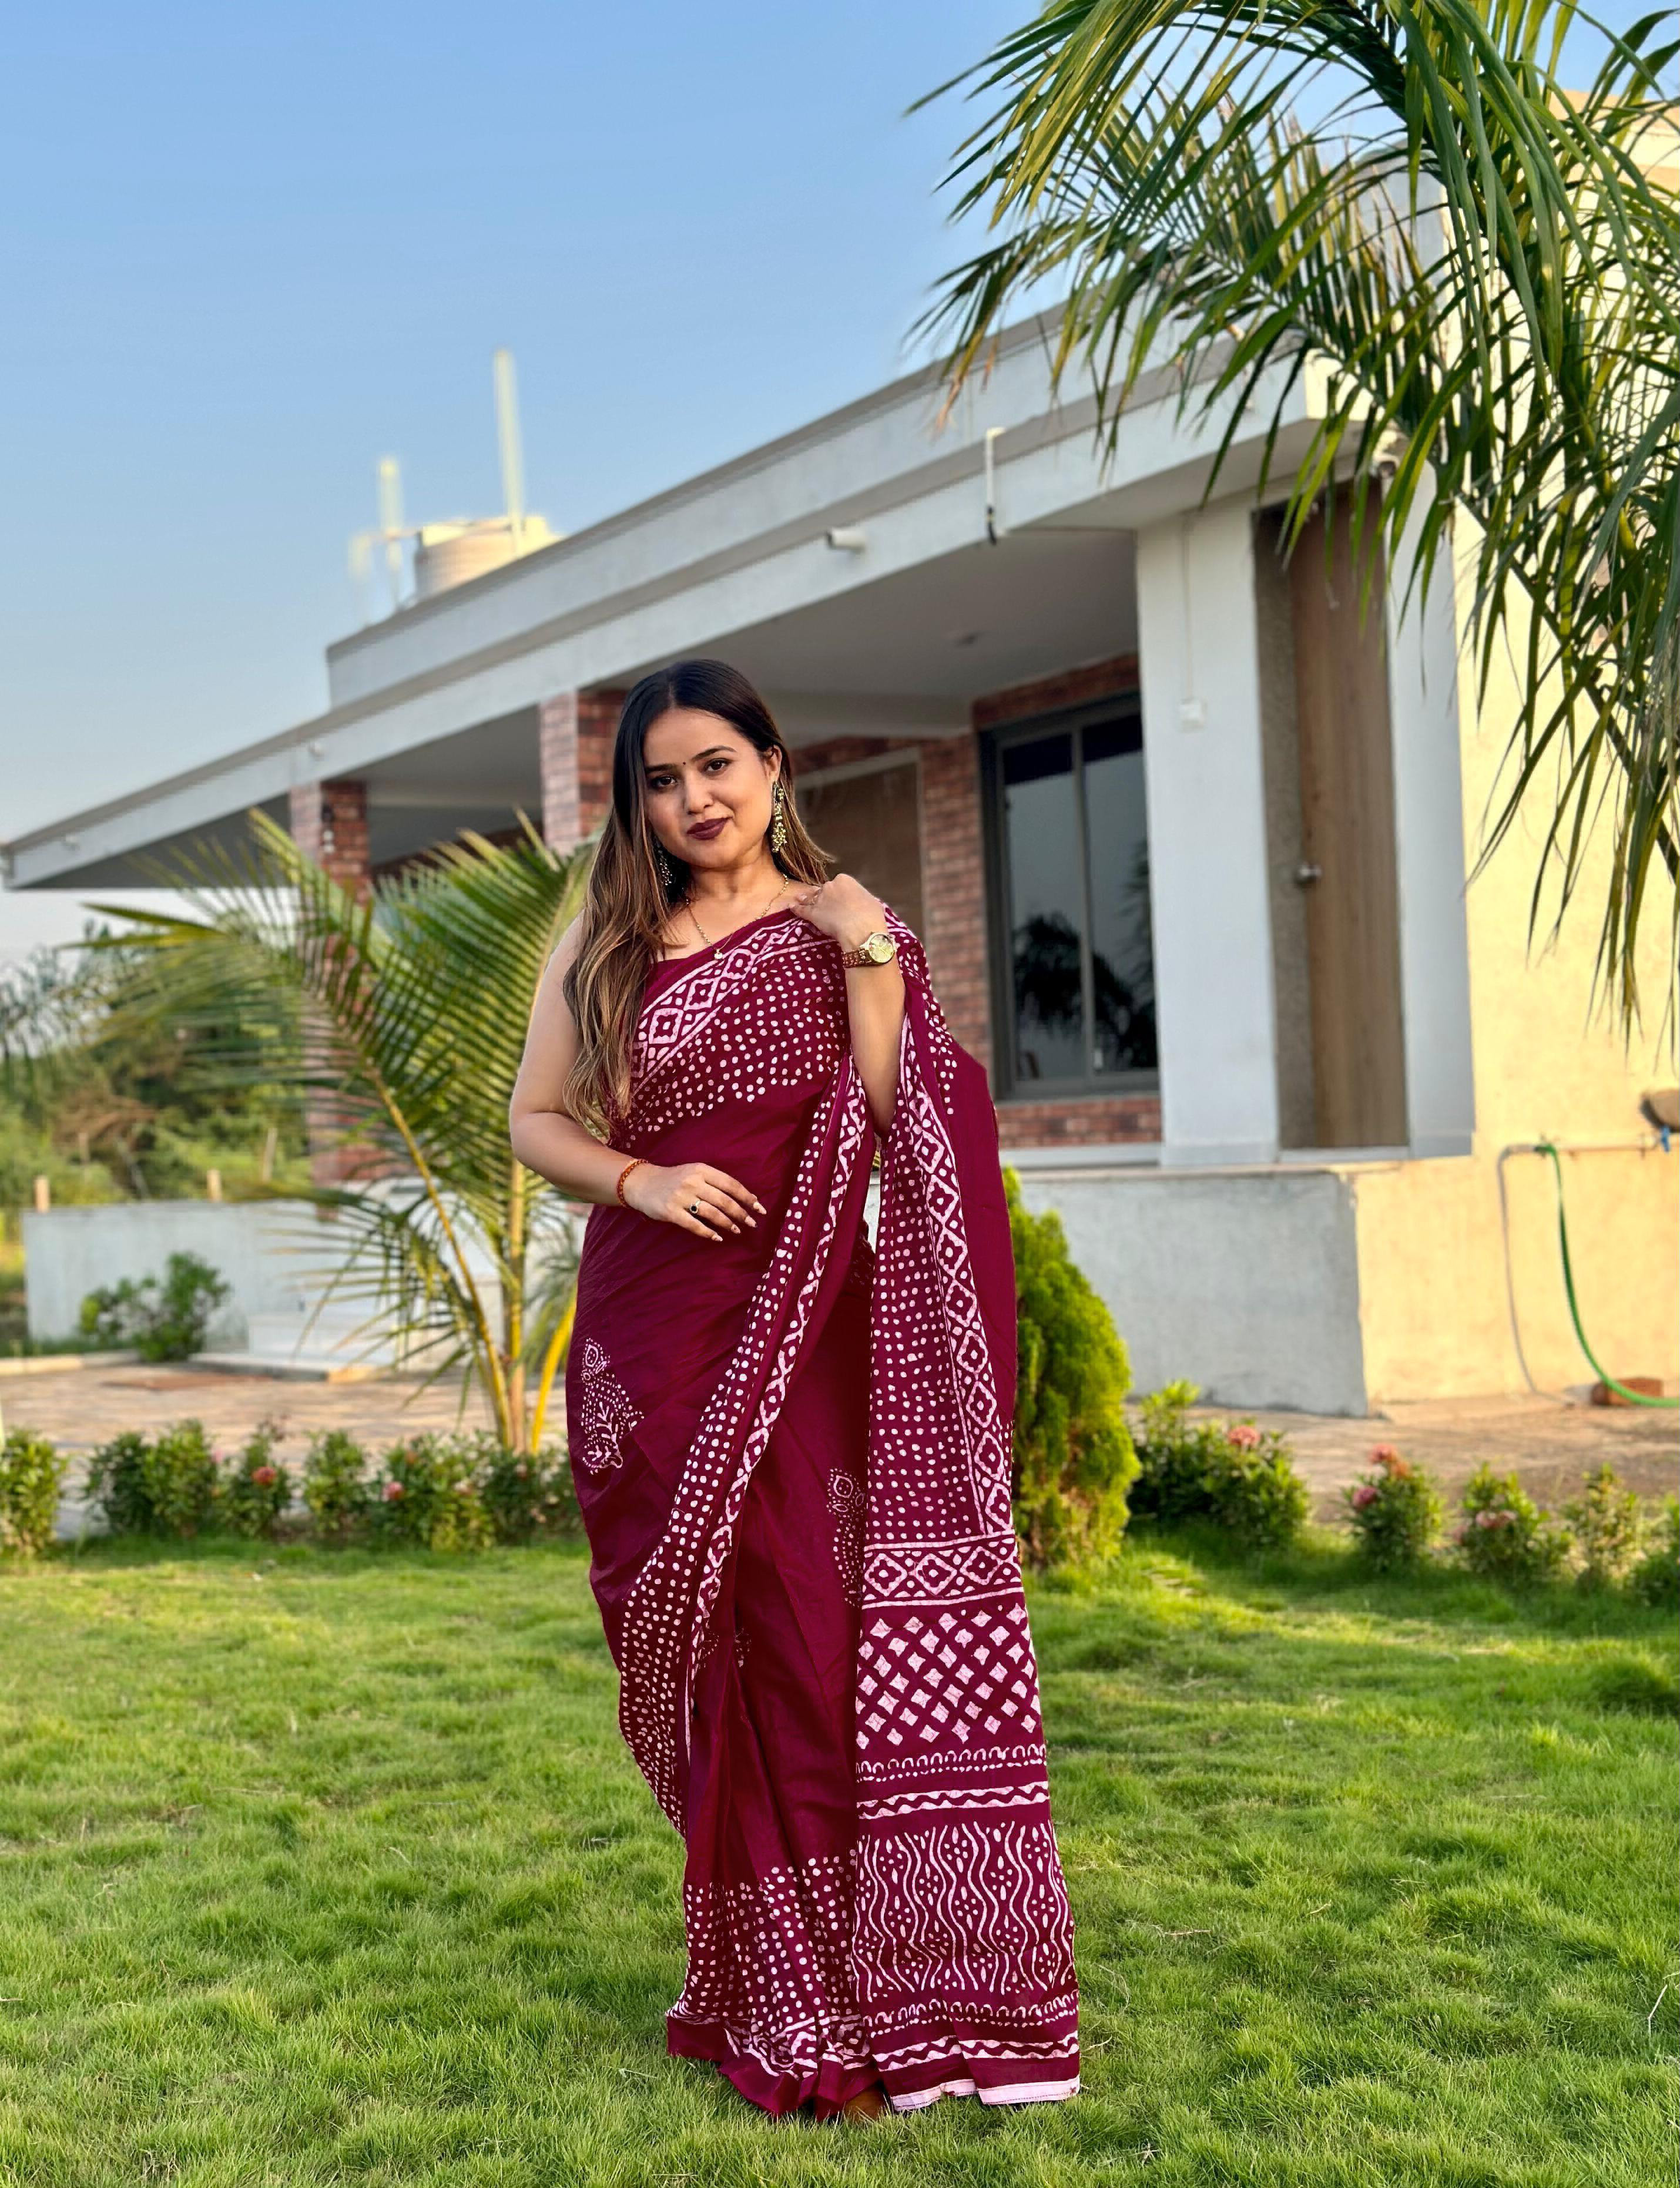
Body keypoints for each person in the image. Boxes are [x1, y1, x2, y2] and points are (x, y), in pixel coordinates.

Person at [509, 659, 1078, 2120]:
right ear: (636, 800)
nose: (694, 798)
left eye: (717, 764)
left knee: (816, 1638)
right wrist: (640, 1171)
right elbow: (534, 1120)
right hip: (653, 1334)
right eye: (660, 777)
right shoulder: (603, 943)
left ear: (772, 764)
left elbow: (909, 1114)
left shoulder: (838, 922)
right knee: (714, 1661)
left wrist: (870, 949)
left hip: (807, 1325)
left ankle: (866, 1983)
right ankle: (756, 1983)